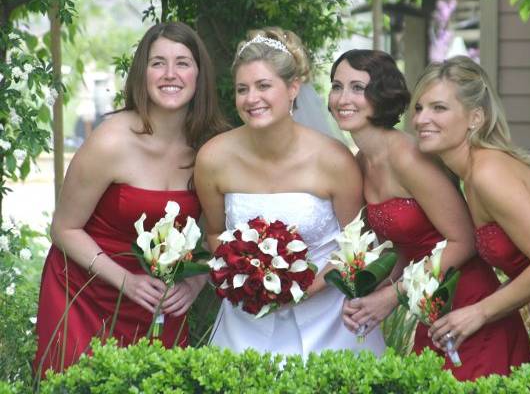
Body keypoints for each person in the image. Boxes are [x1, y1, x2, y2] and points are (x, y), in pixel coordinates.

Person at [33, 22, 228, 377]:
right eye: (158, 63)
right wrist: (127, 281)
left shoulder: (211, 147)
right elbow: (63, 228)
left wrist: (194, 284)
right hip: (84, 294)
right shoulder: (111, 141)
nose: (170, 74)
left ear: (200, 74)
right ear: (142, 72)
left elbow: (218, 232)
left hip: (158, 303)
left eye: (182, 62)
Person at [329, 50, 530, 380]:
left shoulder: (408, 157)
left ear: (381, 95)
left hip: (467, 301)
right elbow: (401, 249)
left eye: (357, 87)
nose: (343, 98)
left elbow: (464, 241)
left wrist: (391, 297)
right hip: (430, 306)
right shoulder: (361, 162)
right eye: (337, 86)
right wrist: (367, 295)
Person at [194, 28, 386, 358]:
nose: (251, 98)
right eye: (242, 89)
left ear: (293, 88)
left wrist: (303, 288)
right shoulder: (213, 159)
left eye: (263, 85)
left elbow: (357, 243)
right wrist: (247, 275)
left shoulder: (333, 160)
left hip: (329, 321)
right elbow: (214, 232)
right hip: (246, 317)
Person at [412, 55, 530, 375]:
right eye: (419, 107)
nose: (421, 119)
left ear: (475, 117)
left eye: (438, 108)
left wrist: (479, 313)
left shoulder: (489, 173)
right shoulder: (469, 174)